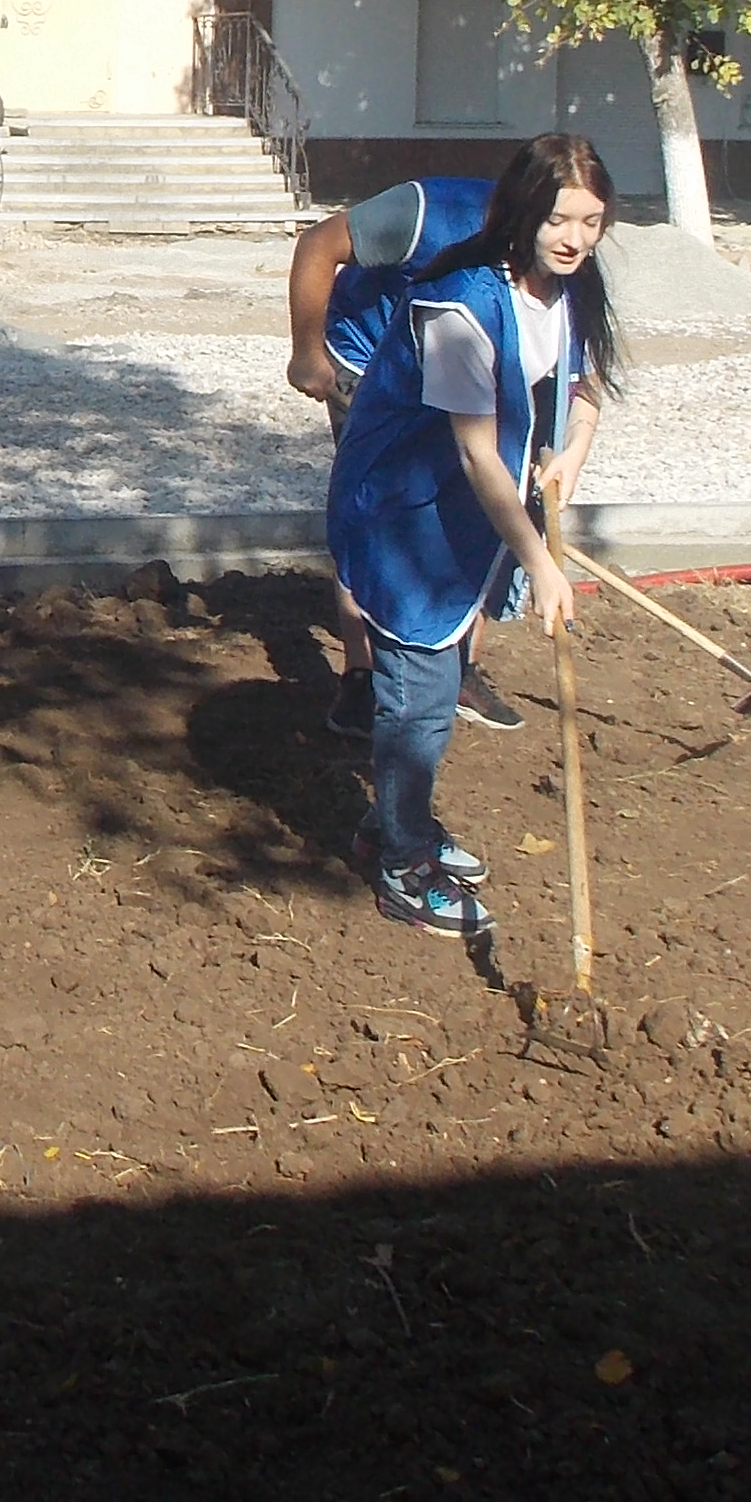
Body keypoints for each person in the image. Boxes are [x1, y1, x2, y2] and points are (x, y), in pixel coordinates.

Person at [325, 133, 623, 934]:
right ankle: (402, 865)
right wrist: (539, 561)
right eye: (560, 220)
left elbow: (586, 382)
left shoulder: (569, 288)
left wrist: (573, 455)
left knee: (440, 673)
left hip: (456, 509)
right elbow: (477, 452)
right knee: (419, 698)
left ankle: (392, 824)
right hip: (400, 507)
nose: (575, 239)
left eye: (592, 223)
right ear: (524, 213)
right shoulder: (460, 306)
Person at [285, 172, 528, 741]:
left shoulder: (558, 253)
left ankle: (457, 667)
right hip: (371, 369)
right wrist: (306, 353)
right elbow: (318, 244)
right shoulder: (427, 210)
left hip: (463, 376)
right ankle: (362, 676)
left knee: (472, 511)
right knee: (373, 515)